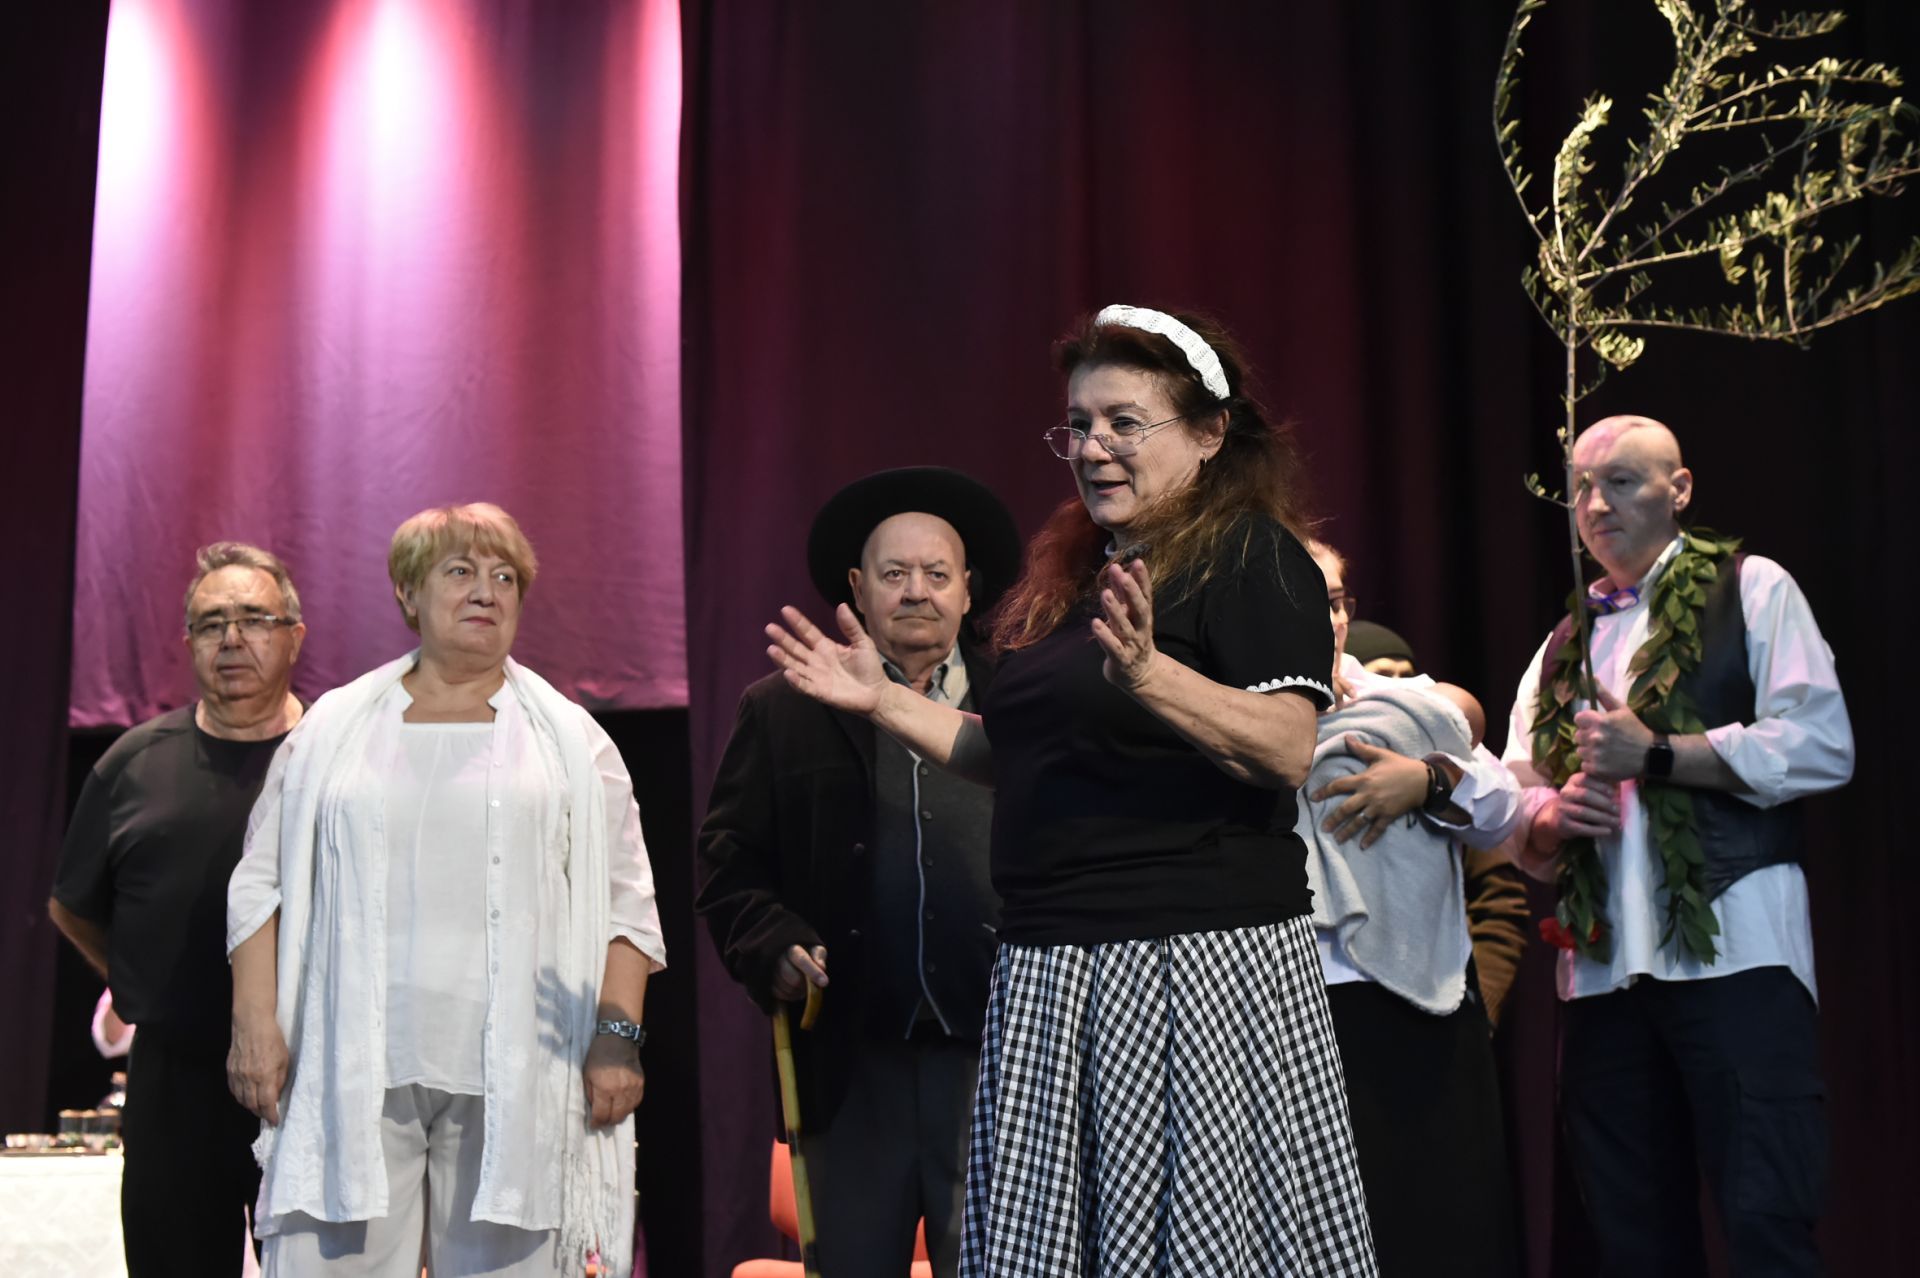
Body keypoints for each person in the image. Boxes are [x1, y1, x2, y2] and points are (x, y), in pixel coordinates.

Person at [766, 306, 1375, 1274]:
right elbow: (1010, 758)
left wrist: (1151, 679)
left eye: (1124, 422)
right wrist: (880, 702)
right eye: (1079, 426)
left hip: (1190, 969)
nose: (1093, 448)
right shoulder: (1089, 576)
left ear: (1211, 433)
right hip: (1053, 969)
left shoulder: (1252, 556)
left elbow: (1288, 747)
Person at [226, 503, 666, 1278]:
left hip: (521, 1077)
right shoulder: (335, 729)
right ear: (408, 594)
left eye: (504, 578)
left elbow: (628, 903)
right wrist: (256, 1024)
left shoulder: (568, 739)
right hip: (351, 1070)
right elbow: (259, 883)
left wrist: (617, 1039)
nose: (485, 592)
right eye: (459, 572)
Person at [1502, 416, 1854, 1276]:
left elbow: (1820, 742)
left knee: (1766, 1216)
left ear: (1680, 489)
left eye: (1620, 481)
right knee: (1633, 1238)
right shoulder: (1562, 645)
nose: (1596, 503)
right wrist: (1548, 821)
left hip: (1736, 958)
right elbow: (1515, 789)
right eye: (1583, 486)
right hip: (1601, 977)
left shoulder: (1753, 589)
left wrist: (1657, 756)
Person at [697, 467, 1020, 1278]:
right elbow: (729, 863)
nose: (917, 591)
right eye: (894, 574)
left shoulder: (1023, 703)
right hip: (849, 1067)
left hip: (1000, 1064)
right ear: (857, 588)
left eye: (937, 574)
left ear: (969, 590)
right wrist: (772, 944)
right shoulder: (784, 708)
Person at [50, 541, 307, 1277]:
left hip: (310, 1070)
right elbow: (73, 907)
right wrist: (143, 988)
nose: (232, 639)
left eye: (255, 618)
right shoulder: (133, 762)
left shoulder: (336, 757)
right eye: (210, 623)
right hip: (173, 1082)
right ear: (188, 642)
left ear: (296, 633)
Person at [1298, 540, 1522, 1275]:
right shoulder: (1240, 709)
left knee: (1435, 1226)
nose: (1328, 619)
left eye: (1336, 601)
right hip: (1301, 1012)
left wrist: (1425, 781)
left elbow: (1501, 810)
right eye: (1306, 598)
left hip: (1419, 1011)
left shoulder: (1407, 701)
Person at [1335, 607, 1531, 1026]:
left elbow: (1502, 831)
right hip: (1331, 994)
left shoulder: (1439, 744)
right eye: (1384, 673)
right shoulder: (1321, 738)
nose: (1402, 687)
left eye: (1408, 674)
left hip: (1436, 995)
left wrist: (1430, 781)